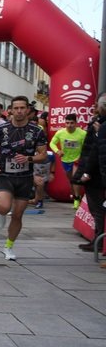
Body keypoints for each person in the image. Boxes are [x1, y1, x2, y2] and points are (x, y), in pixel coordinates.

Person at [0, 96, 47, 260]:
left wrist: (29, 159)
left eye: (23, 108)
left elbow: (43, 156)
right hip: (5, 176)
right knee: (5, 207)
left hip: (25, 178)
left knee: (18, 215)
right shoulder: (2, 130)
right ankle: (0, 212)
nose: (20, 111)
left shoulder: (37, 131)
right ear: (10, 111)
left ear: (27, 110)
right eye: (16, 108)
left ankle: (8, 246)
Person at [76, 91, 106, 253]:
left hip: (97, 174)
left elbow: (96, 151)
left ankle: (99, 240)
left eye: (98, 105)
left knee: (98, 208)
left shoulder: (100, 126)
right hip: (95, 171)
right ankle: (98, 238)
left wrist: (86, 172)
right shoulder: (97, 122)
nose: (96, 108)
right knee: (96, 208)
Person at [49, 113, 87, 208]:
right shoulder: (60, 132)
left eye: (72, 123)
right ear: (64, 123)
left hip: (77, 160)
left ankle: (77, 199)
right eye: (67, 123)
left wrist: (82, 157)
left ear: (76, 123)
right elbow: (52, 143)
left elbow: (87, 147)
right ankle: (75, 196)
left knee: (75, 179)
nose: (69, 125)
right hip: (65, 160)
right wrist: (58, 151)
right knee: (71, 180)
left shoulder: (82, 133)